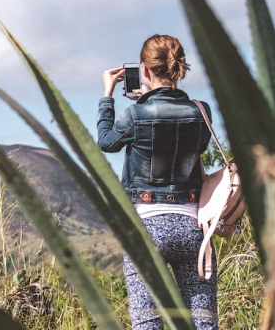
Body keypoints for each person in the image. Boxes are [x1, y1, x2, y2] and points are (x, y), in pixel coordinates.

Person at [97, 34, 217, 330]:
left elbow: (106, 142)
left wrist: (107, 96)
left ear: (145, 71)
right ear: (178, 68)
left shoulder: (134, 115)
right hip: (193, 229)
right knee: (204, 324)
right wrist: (151, 103)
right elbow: (191, 146)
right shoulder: (202, 112)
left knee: (148, 324)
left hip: (147, 229)